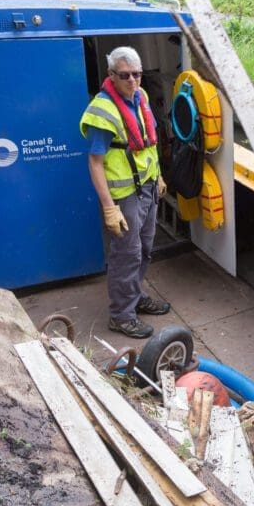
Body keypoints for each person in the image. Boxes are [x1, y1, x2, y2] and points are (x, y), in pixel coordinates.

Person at [80, 46, 171, 338]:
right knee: (126, 254)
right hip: (125, 195)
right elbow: (95, 163)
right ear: (111, 76)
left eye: (137, 74)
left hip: (147, 187)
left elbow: (148, 142)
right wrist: (109, 207)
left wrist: (158, 176)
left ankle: (135, 295)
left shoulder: (140, 98)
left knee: (144, 249)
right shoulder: (102, 111)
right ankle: (121, 314)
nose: (132, 81)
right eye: (125, 75)